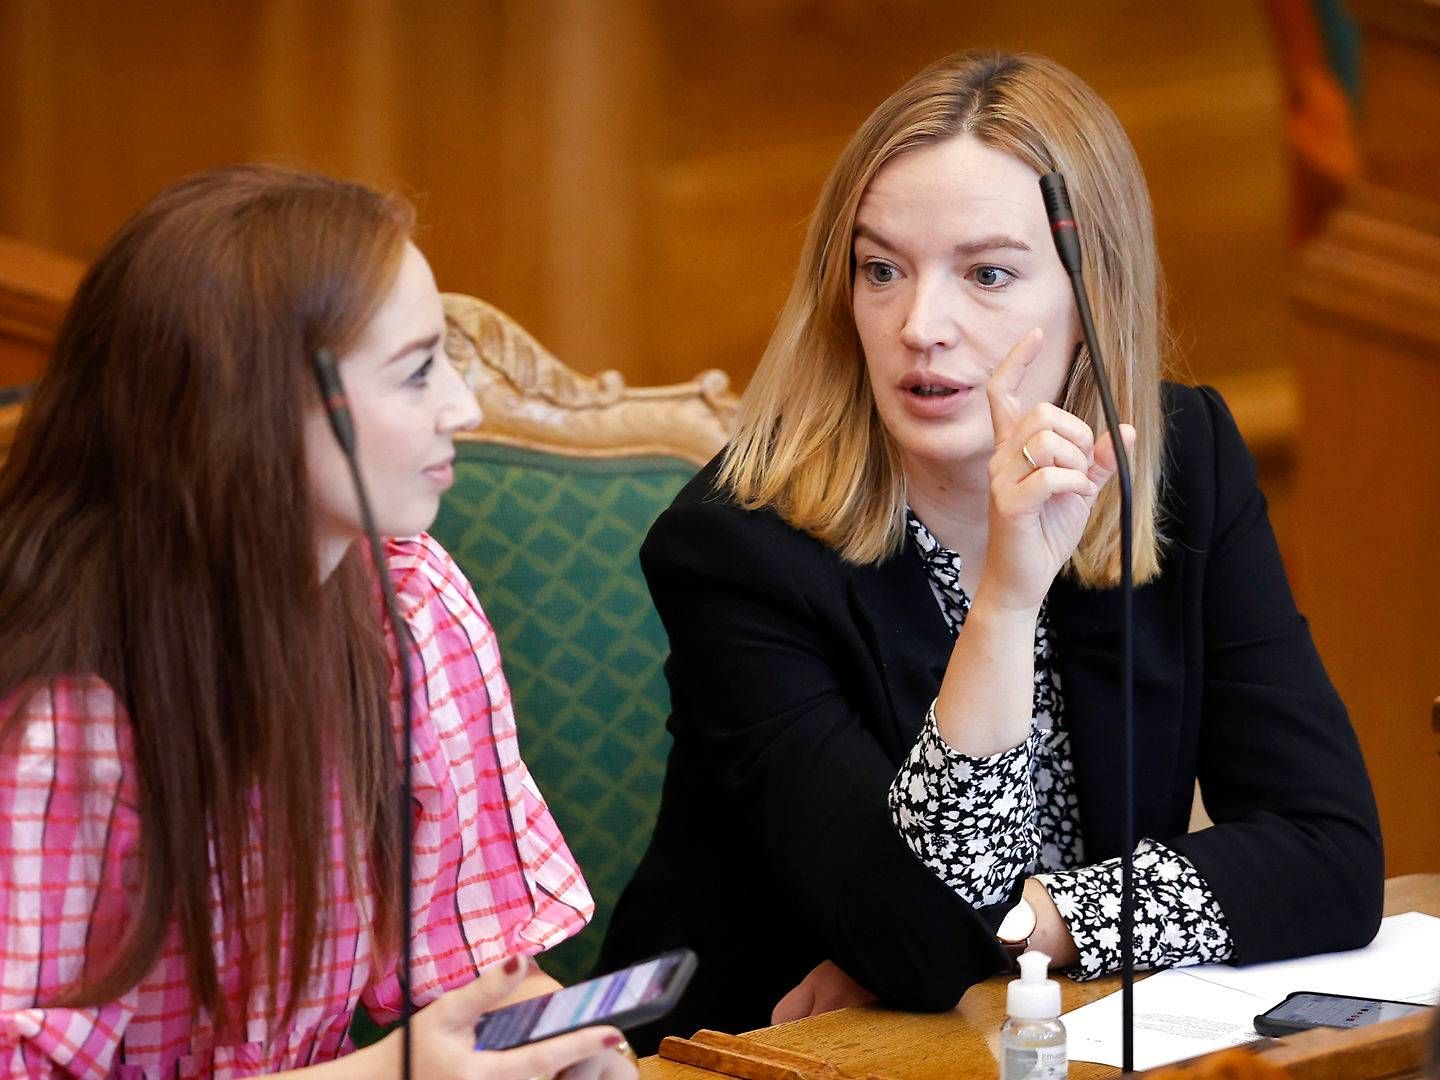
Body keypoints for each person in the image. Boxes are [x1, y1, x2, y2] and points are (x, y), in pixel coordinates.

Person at [599, 50, 1383, 1050]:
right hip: (752, 1059)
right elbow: (923, 945)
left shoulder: (1180, 467)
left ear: (1092, 295)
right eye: (881, 269)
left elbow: (1330, 856)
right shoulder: (739, 551)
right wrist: (1007, 603)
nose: (920, 326)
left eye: (987, 273)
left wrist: (1037, 922)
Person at [0, 166, 636, 1079]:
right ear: (245, 414)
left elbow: (477, 972)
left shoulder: (407, 607)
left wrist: (558, 1044)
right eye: (417, 372)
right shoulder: (67, 715)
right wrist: (385, 1074)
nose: (463, 406)